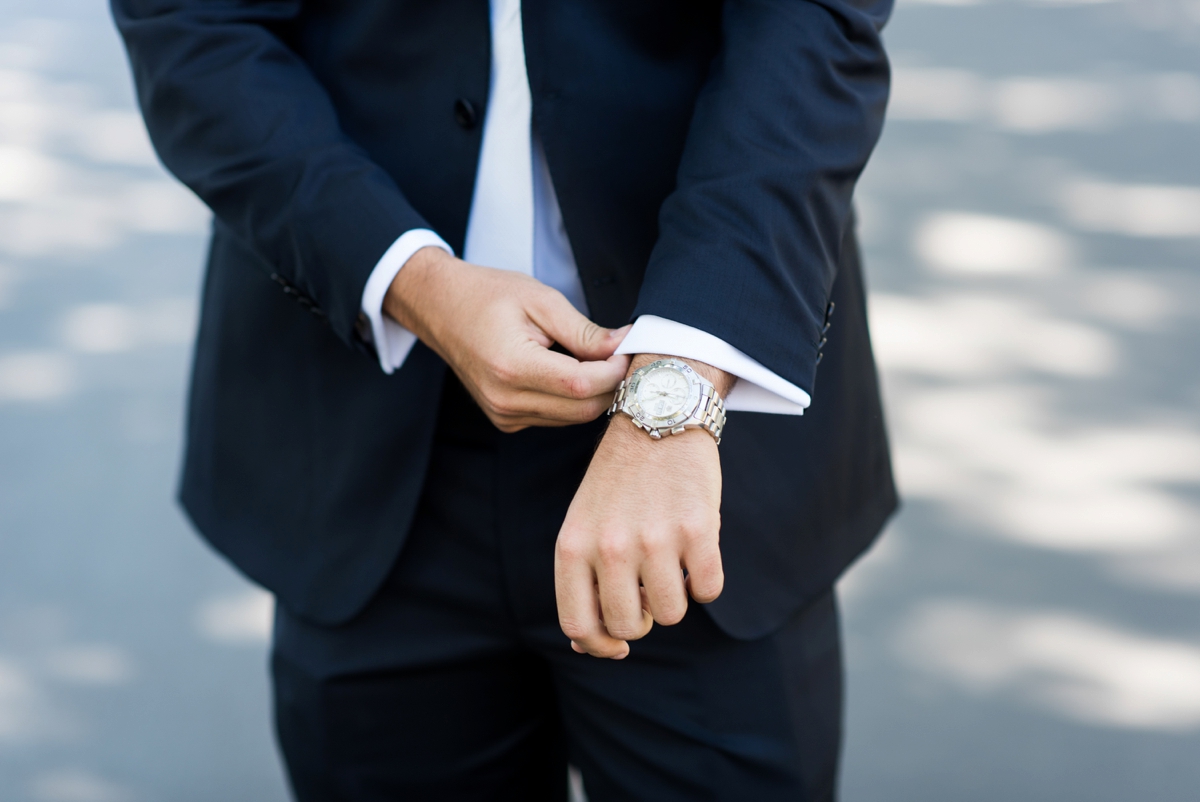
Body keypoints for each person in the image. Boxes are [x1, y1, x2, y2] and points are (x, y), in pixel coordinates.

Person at [112, 0, 898, 799]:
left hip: (702, 471)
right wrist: (411, 281)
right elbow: (191, 24)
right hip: (370, 448)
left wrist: (677, 390)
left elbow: (810, 22)